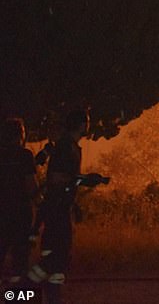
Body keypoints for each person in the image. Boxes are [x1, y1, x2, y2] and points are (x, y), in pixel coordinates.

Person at [28, 109, 89, 304]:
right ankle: (19, 292)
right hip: (57, 211)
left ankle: (51, 298)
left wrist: (75, 202)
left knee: (58, 263)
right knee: (58, 258)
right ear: (80, 124)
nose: (88, 124)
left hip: (60, 209)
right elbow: (56, 179)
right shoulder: (66, 147)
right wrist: (83, 180)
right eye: (86, 121)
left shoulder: (69, 146)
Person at [0, 117, 38, 287]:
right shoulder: (25, 155)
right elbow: (31, 185)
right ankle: (18, 297)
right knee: (20, 259)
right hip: (21, 213)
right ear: (21, 134)